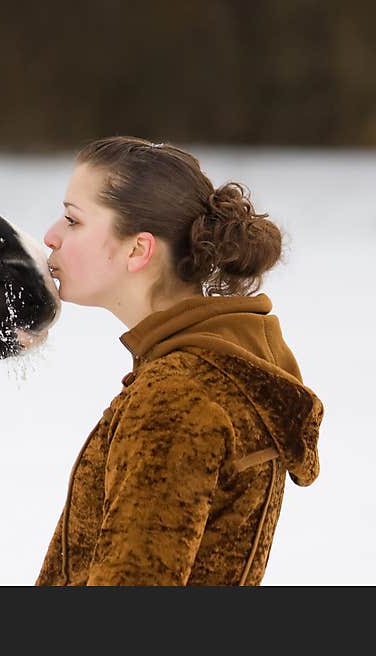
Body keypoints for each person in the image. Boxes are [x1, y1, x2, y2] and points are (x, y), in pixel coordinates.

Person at [36, 136, 323, 586]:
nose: (51, 235)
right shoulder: (213, 374)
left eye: (73, 220)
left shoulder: (177, 397)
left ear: (138, 250)